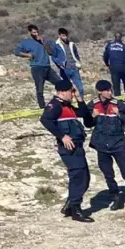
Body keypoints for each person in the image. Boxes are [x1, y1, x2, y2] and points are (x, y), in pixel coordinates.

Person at [40, 76, 95, 222]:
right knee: (78, 177)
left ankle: (70, 205)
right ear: (63, 92)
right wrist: (62, 136)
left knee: (85, 177)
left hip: (77, 146)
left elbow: (84, 115)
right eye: (71, 91)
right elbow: (45, 120)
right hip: (69, 148)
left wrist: (80, 99)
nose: (73, 93)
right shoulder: (55, 105)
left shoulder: (67, 106)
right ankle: (76, 210)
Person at [89, 79, 125, 210]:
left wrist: (119, 114)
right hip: (101, 145)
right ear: (100, 92)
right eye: (107, 90)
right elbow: (87, 124)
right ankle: (116, 198)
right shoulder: (93, 105)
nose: (110, 92)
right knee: (107, 173)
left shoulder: (118, 104)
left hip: (117, 143)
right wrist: (92, 117)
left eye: (110, 90)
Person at [17, 24, 60, 109]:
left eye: (37, 32)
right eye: (34, 32)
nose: (36, 34)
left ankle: (61, 101)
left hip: (47, 67)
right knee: (40, 88)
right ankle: (42, 106)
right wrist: (27, 55)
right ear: (30, 33)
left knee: (59, 83)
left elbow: (51, 52)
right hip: (37, 68)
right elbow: (17, 52)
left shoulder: (44, 40)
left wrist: (44, 43)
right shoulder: (26, 43)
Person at [101, 32, 125, 100]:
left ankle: (118, 102)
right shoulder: (124, 46)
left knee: (116, 86)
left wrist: (107, 64)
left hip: (114, 68)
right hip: (124, 67)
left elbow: (105, 56)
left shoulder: (109, 46)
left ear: (114, 37)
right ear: (121, 38)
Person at [51, 28, 83, 99]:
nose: (65, 37)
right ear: (59, 35)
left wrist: (78, 63)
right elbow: (54, 57)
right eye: (63, 35)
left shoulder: (71, 44)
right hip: (65, 69)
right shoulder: (56, 45)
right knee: (66, 89)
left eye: (66, 35)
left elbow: (76, 54)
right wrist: (60, 64)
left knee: (80, 88)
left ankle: (81, 102)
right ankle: (68, 103)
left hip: (74, 69)